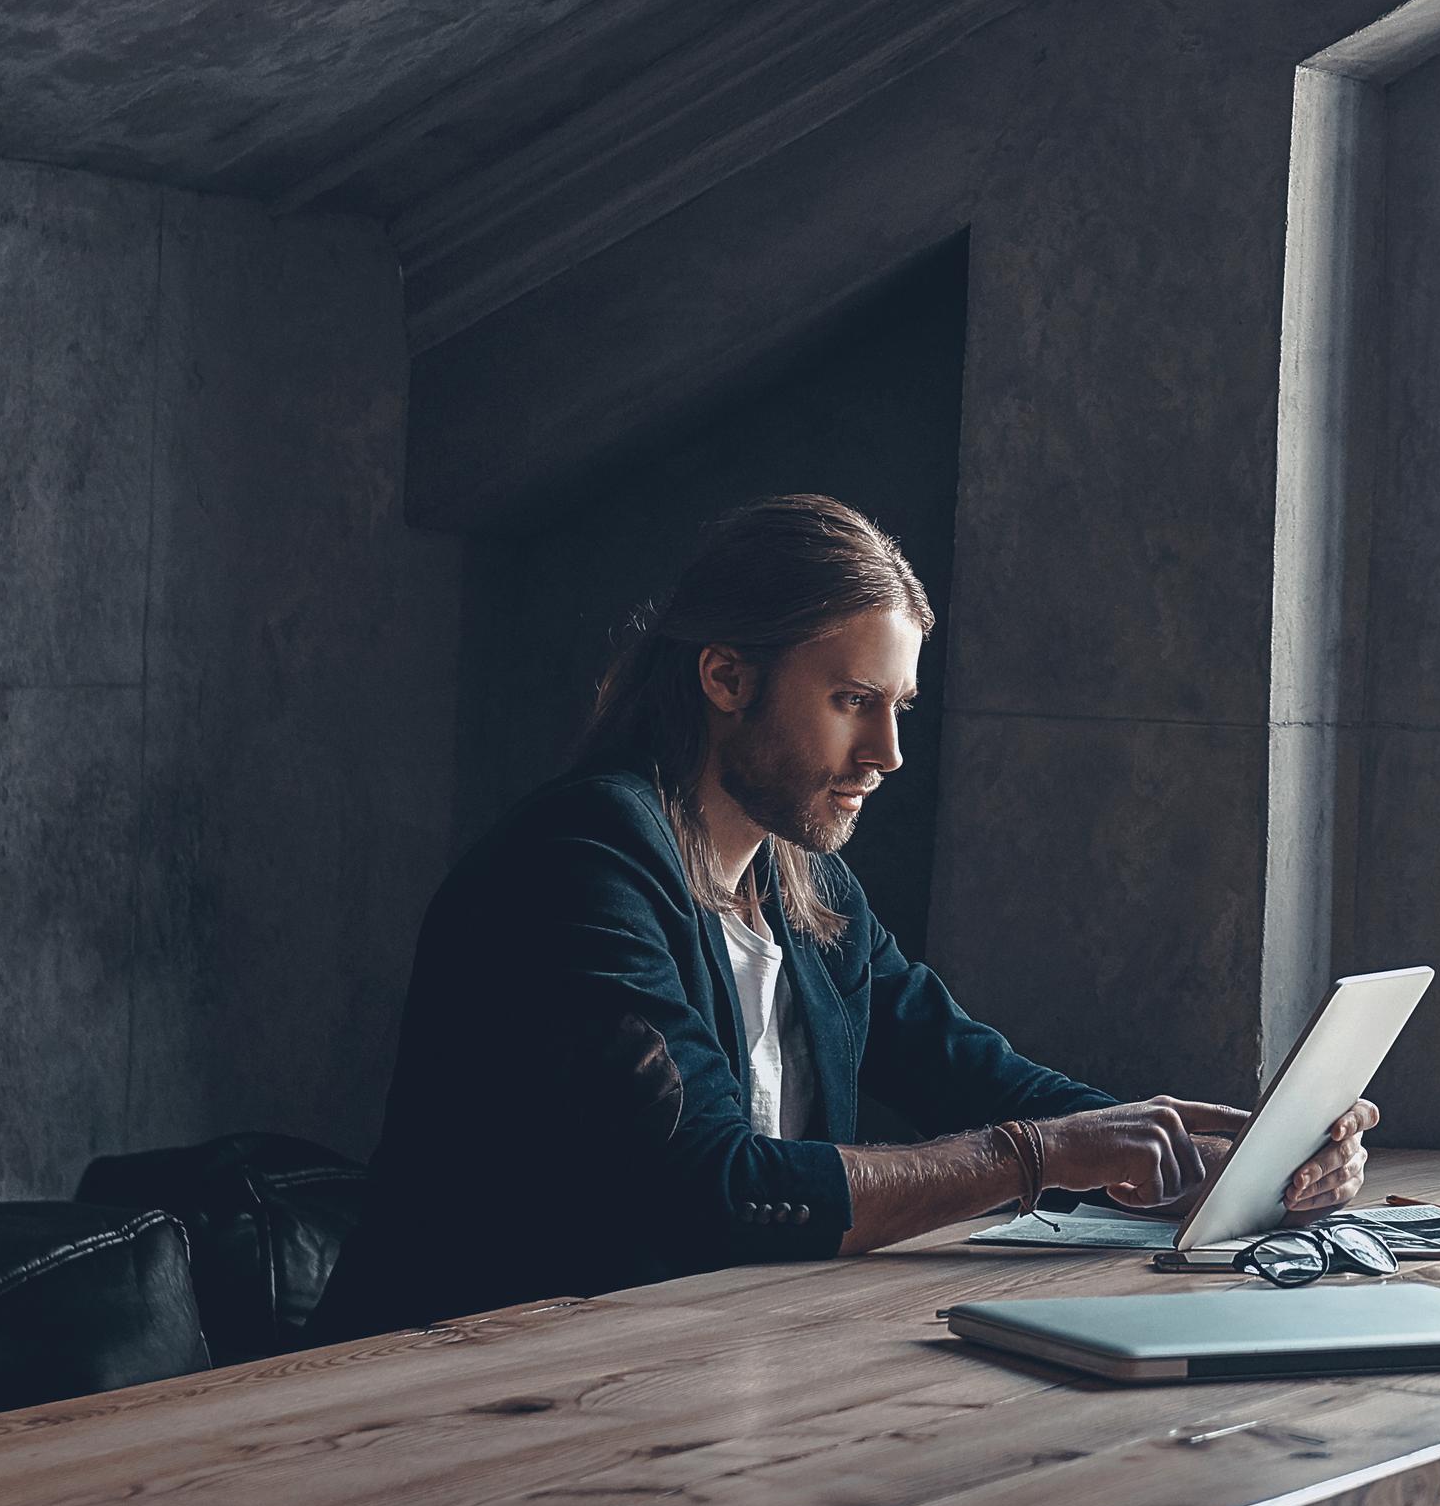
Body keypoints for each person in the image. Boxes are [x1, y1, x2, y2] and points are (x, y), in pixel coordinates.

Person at [322, 493, 1373, 1336]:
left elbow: (975, 1071)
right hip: (459, 1398)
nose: (887, 755)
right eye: (851, 701)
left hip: (694, 1370)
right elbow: (709, 1186)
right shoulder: (583, 863)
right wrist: (1034, 1154)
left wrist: (1224, 1155)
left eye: (898, 707)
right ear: (727, 677)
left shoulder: (806, 887)